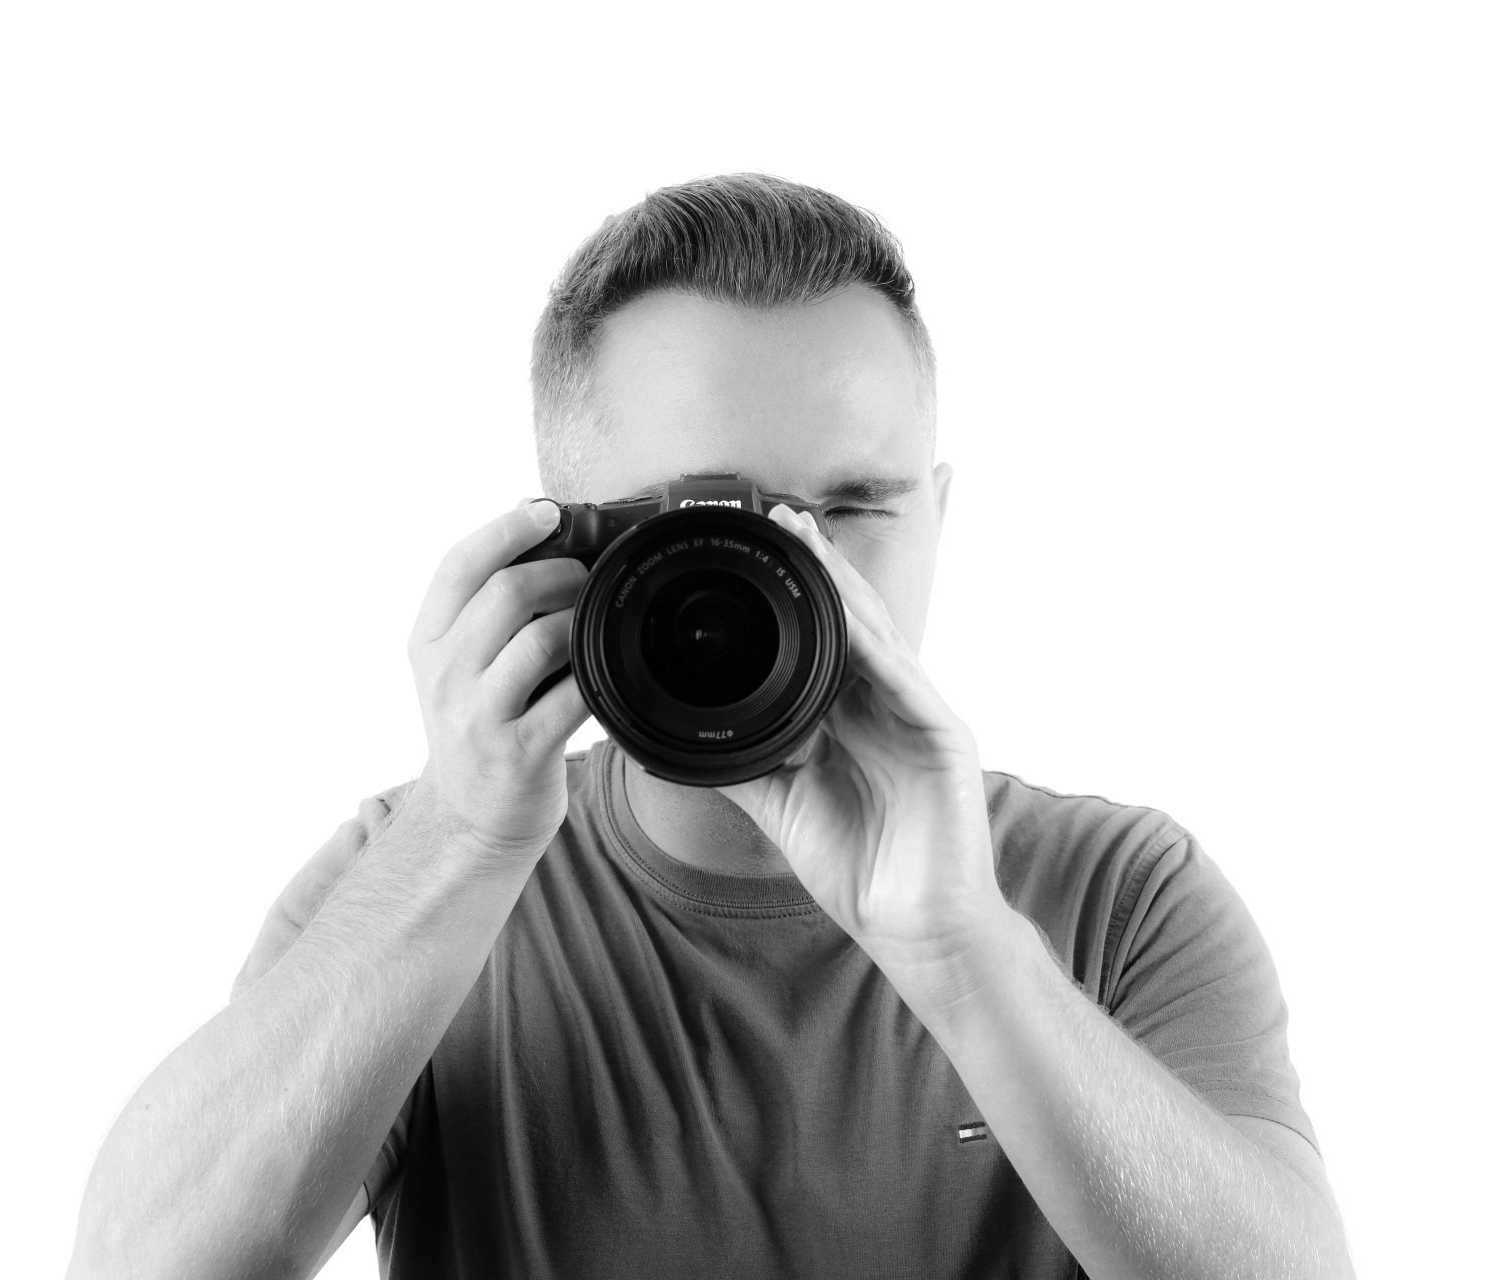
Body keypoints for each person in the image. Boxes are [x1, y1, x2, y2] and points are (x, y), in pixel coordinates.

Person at [66, 173, 1353, 1279]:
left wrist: (963, 949)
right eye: (709, 526)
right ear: (564, 550)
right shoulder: (414, 880)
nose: (799, 579)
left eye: (853, 508)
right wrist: (459, 840)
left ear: (938, 519)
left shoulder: (1120, 893)